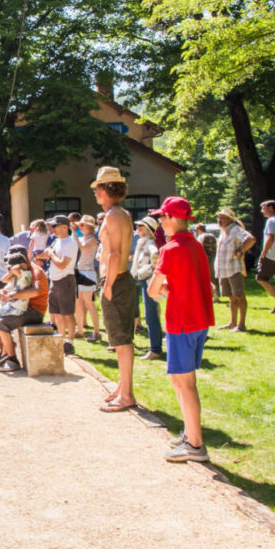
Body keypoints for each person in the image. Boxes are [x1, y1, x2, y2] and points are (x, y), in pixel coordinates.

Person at [148, 196, 215, 463]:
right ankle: (190, 434)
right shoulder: (195, 245)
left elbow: (154, 290)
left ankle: (195, 445)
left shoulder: (170, 248)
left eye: (163, 217)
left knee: (184, 383)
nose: (160, 223)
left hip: (182, 321)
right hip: (198, 319)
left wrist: (163, 289)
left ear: (174, 218)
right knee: (181, 380)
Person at [93, 167, 136, 412]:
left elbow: (116, 253)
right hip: (119, 279)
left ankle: (127, 395)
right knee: (120, 339)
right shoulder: (120, 213)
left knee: (120, 341)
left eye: (98, 188)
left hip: (116, 280)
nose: (96, 192)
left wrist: (107, 285)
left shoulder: (113, 215)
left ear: (108, 189)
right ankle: (123, 386)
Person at [0, 251, 50, 372]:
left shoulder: (35, 271)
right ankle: (2, 352)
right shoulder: (22, 271)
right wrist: (3, 292)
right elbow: (9, 283)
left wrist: (12, 296)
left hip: (34, 310)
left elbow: (35, 291)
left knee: (0, 323)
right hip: (20, 306)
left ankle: (11, 359)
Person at [38, 216, 79, 354]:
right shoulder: (57, 241)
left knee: (67, 313)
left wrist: (51, 254)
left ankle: (70, 342)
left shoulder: (70, 243)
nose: (52, 229)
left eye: (55, 226)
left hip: (65, 279)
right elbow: (50, 256)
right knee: (56, 314)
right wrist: (41, 255)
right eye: (52, 226)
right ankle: (61, 340)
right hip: (54, 280)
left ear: (65, 227)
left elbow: (62, 264)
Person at [215, 209, 256, 331]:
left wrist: (241, 250)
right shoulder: (223, 232)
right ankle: (232, 322)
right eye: (219, 217)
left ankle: (241, 325)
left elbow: (251, 239)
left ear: (230, 219)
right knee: (231, 297)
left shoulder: (235, 230)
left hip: (234, 268)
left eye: (222, 217)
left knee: (239, 295)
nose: (219, 220)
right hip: (224, 269)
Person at [132, 216, 163, 360]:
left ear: (148, 229)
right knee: (150, 315)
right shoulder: (141, 242)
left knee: (151, 316)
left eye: (140, 227)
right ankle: (155, 347)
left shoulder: (149, 242)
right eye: (137, 226)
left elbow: (156, 254)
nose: (137, 229)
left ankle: (155, 349)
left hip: (148, 280)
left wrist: (149, 269)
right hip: (145, 280)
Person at [75, 215, 101, 344]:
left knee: (89, 304)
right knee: (78, 303)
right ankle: (80, 330)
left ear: (89, 227)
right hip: (79, 272)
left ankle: (97, 332)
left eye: (82, 225)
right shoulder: (82, 238)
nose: (80, 227)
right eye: (80, 225)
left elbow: (83, 248)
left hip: (88, 273)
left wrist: (74, 233)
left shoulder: (92, 239)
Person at [194, 223, 220, 303]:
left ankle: (206, 296)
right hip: (213, 258)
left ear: (199, 230)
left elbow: (198, 248)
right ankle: (216, 296)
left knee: (204, 278)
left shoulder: (200, 237)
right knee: (212, 277)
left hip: (204, 260)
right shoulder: (212, 236)